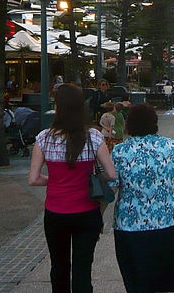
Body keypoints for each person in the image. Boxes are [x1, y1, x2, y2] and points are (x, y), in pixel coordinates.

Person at [28, 84, 116, 293]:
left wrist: (57, 181)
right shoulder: (94, 137)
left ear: (57, 107)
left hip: (56, 213)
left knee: (58, 267)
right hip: (87, 212)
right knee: (82, 269)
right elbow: (112, 174)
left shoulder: (44, 138)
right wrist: (89, 179)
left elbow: (33, 179)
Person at [111, 103, 174, 292]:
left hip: (130, 226)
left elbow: (111, 188)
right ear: (155, 122)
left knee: (136, 280)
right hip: (168, 223)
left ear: (129, 124)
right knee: (169, 279)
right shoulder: (171, 146)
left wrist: (97, 215)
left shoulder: (120, 151)